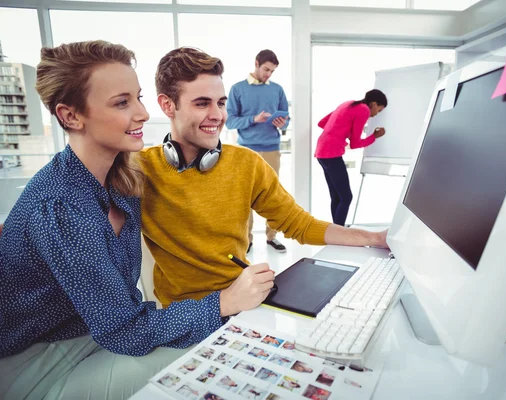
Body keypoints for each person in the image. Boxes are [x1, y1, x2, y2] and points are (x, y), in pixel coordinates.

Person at [0, 41, 268, 400]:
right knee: (213, 354)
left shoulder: (120, 176)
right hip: (35, 365)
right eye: (122, 103)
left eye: (138, 97)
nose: (143, 114)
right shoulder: (62, 205)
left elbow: (24, 227)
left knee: (215, 338)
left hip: (90, 334)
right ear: (71, 116)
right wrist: (225, 301)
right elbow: (127, 332)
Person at [141, 47, 388, 309]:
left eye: (221, 103)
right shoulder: (139, 168)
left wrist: (373, 238)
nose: (217, 115)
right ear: (168, 105)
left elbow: (300, 224)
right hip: (178, 313)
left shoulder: (247, 164)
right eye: (202, 103)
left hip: (243, 302)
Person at [225, 49, 290, 253]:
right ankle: (247, 239)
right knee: (246, 195)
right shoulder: (237, 89)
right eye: (266, 69)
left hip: (272, 148)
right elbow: (229, 121)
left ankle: (272, 236)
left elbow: (286, 119)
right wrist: (254, 119)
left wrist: (282, 123)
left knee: (272, 194)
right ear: (256, 63)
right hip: (247, 149)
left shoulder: (277, 90)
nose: (268, 74)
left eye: (272, 71)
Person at [314, 89, 388, 226]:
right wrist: (374, 136)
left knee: (337, 197)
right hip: (332, 154)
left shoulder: (348, 103)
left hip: (321, 152)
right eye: (379, 110)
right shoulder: (364, 110)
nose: (376, 114)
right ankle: (339, 232)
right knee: (346, 197)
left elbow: (322, 123)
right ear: (373, 104)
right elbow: (355, 143)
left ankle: (336, 230)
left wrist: (340, 133)